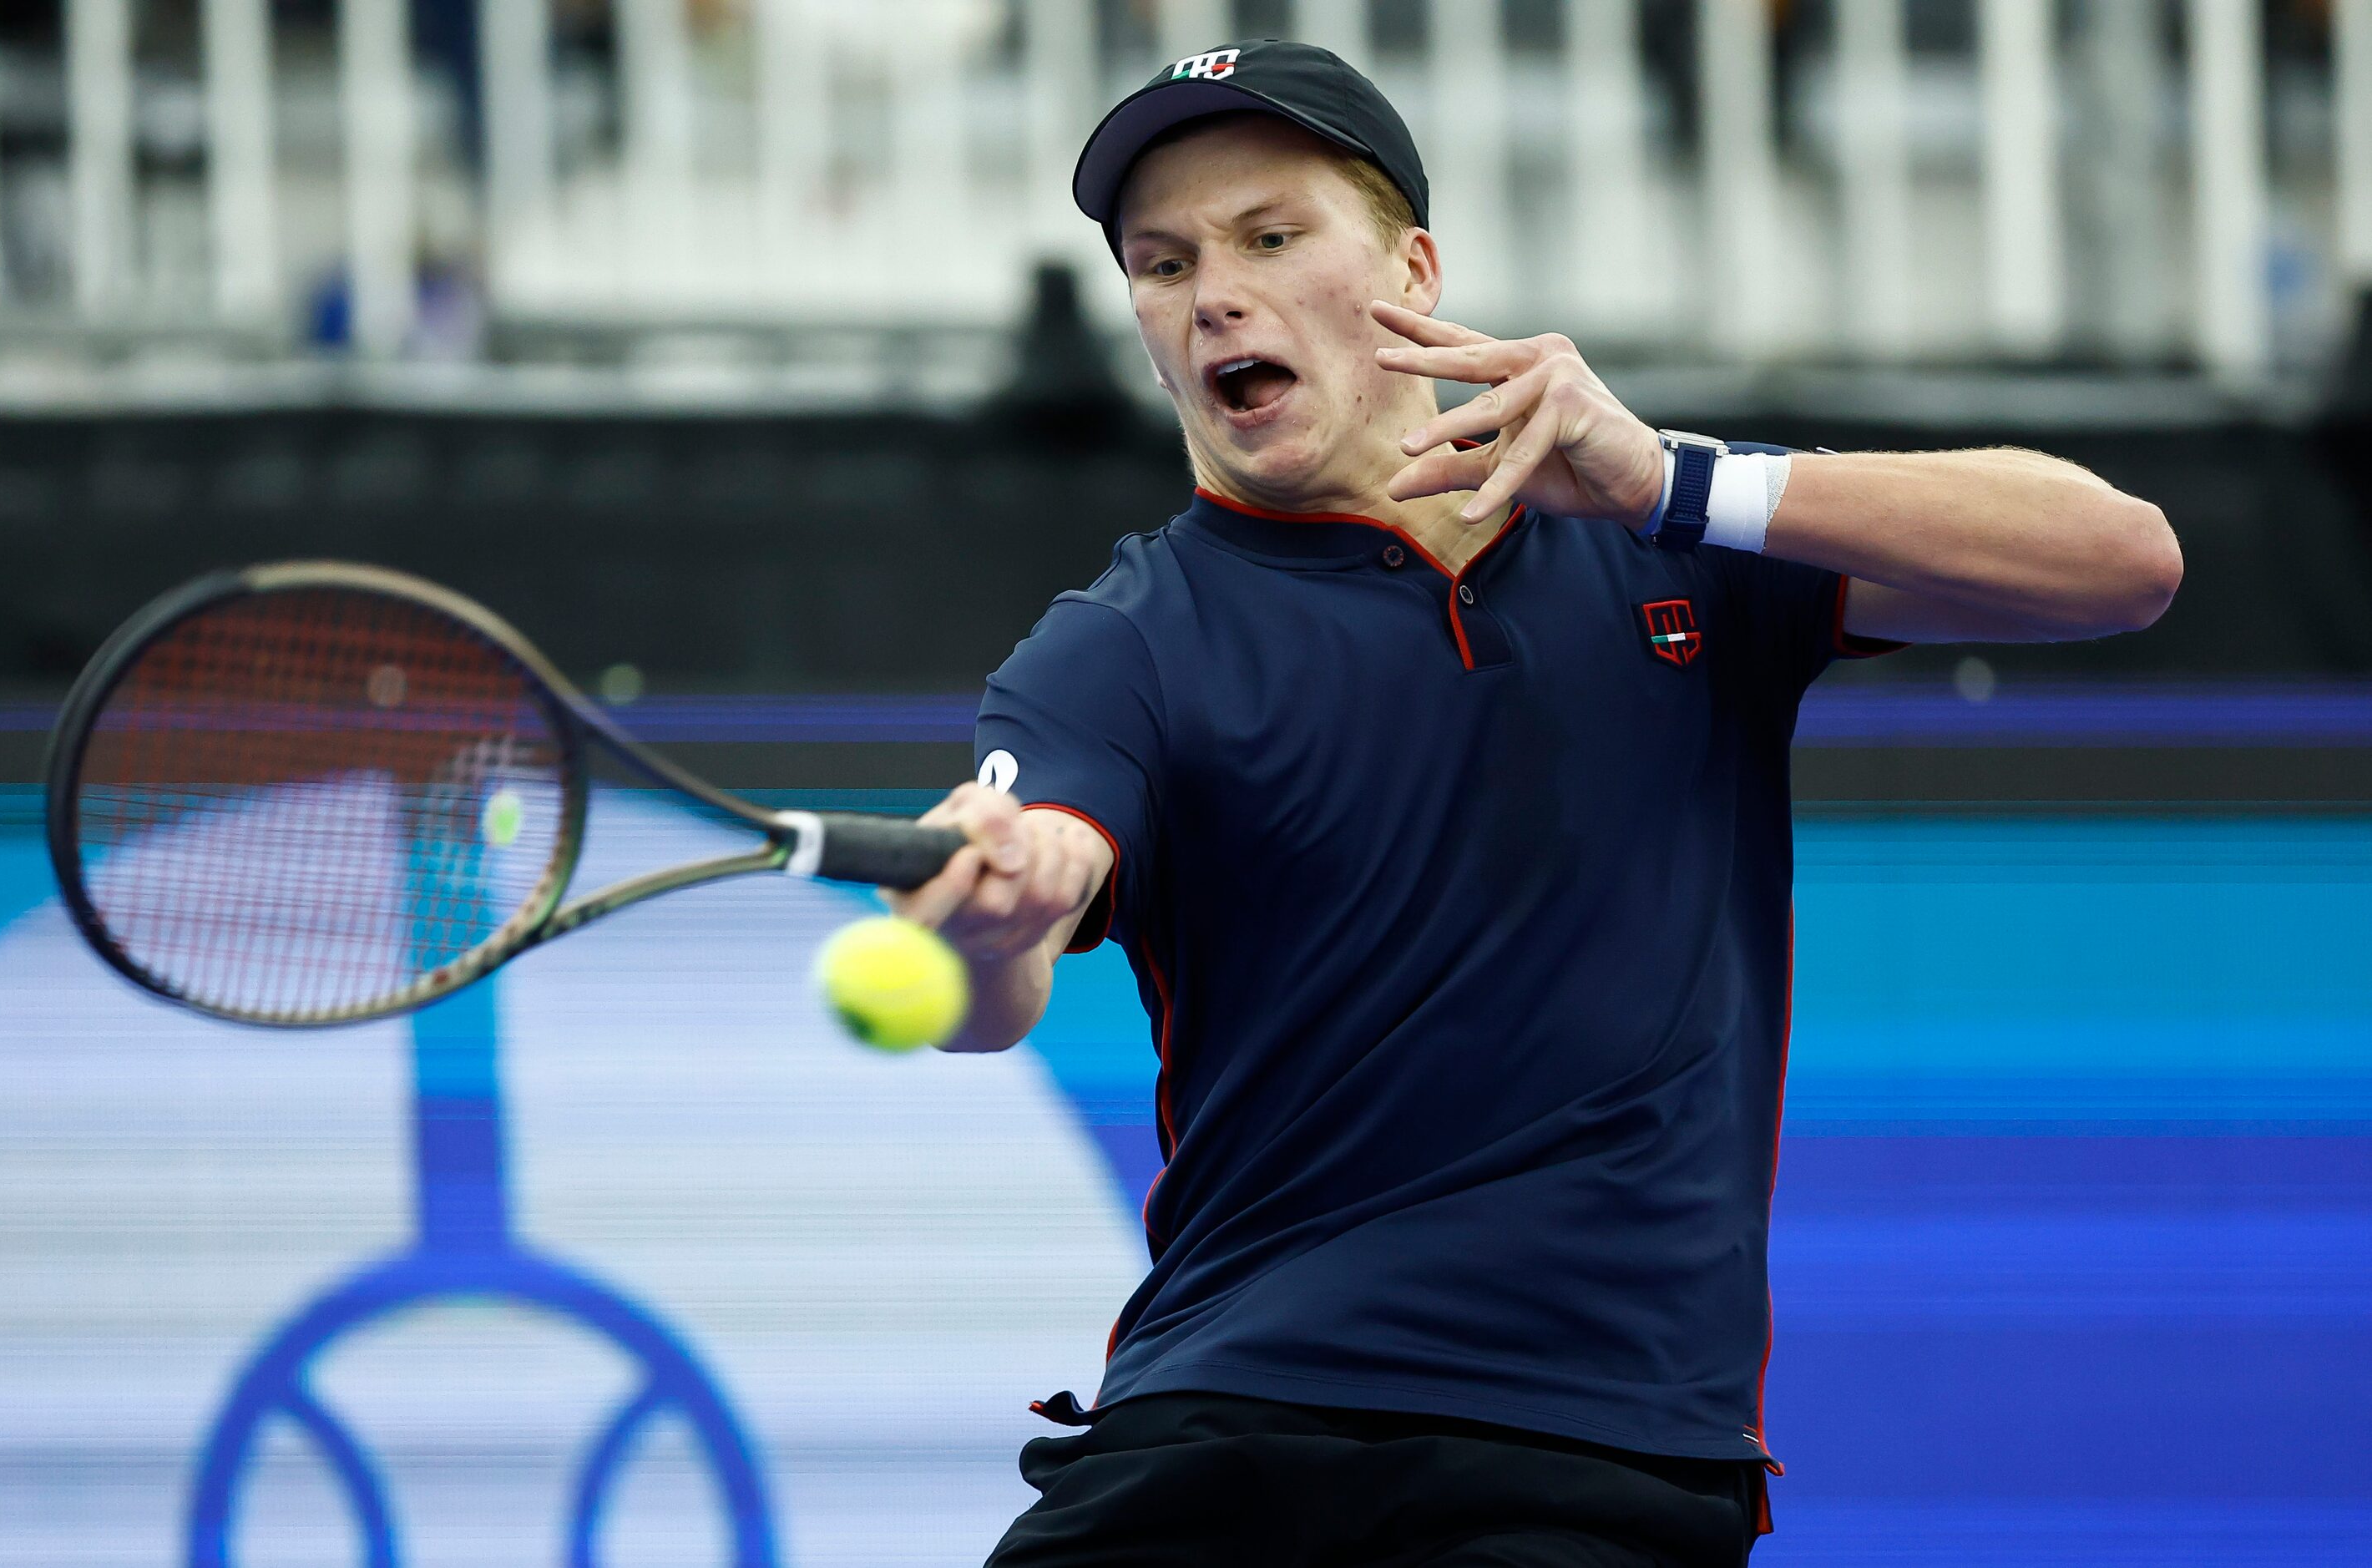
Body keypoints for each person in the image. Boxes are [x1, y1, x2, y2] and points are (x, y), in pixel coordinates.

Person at [889, 41, 2182, 1568]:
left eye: (1269, 237)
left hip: (1598, 1447)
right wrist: (994, 921)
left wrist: (1679, 486)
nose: (1211, 295)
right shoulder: (1120, 639)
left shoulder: (1670, 547)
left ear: (1415, 270)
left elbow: (2124, 563)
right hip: (1225, 1425)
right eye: (1162, 265)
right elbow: (1003, 954)